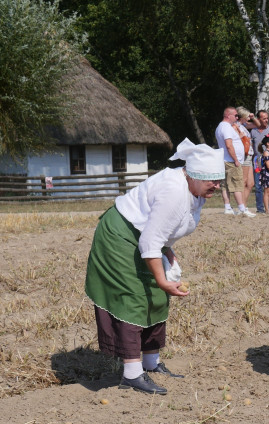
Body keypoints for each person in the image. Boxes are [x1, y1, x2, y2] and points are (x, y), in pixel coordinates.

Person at [84, 139, 223, 395]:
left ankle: (150, 363)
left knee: (157, 297)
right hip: (119, 236)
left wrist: (167, 253)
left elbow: (161, 230)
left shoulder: (196, 190)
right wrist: (161, 279)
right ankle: (132, 374)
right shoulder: (175, 192)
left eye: (219, 180)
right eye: (211, 180)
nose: (216, 185)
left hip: (143, 236)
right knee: (135, 296)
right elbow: (150, 240)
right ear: (193, 174)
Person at [215, 106, 256, 217]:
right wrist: (236, 160)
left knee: (226, 186)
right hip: (231, 161)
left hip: (225, 160)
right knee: (237, 185)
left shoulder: (221, 126)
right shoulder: (226, 127)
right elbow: (229, 145)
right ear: (229, 115)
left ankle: (228, 207)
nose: (237, 117)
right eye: (235, 115)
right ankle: (242, 208)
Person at [250, 110, 269, 213]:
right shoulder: (253, 131)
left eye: (267, 118)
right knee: (258, 186)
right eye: (264, 118)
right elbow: (252, 147)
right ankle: (261, 209)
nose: (266, 120)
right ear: (258, 119)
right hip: (258, 162)